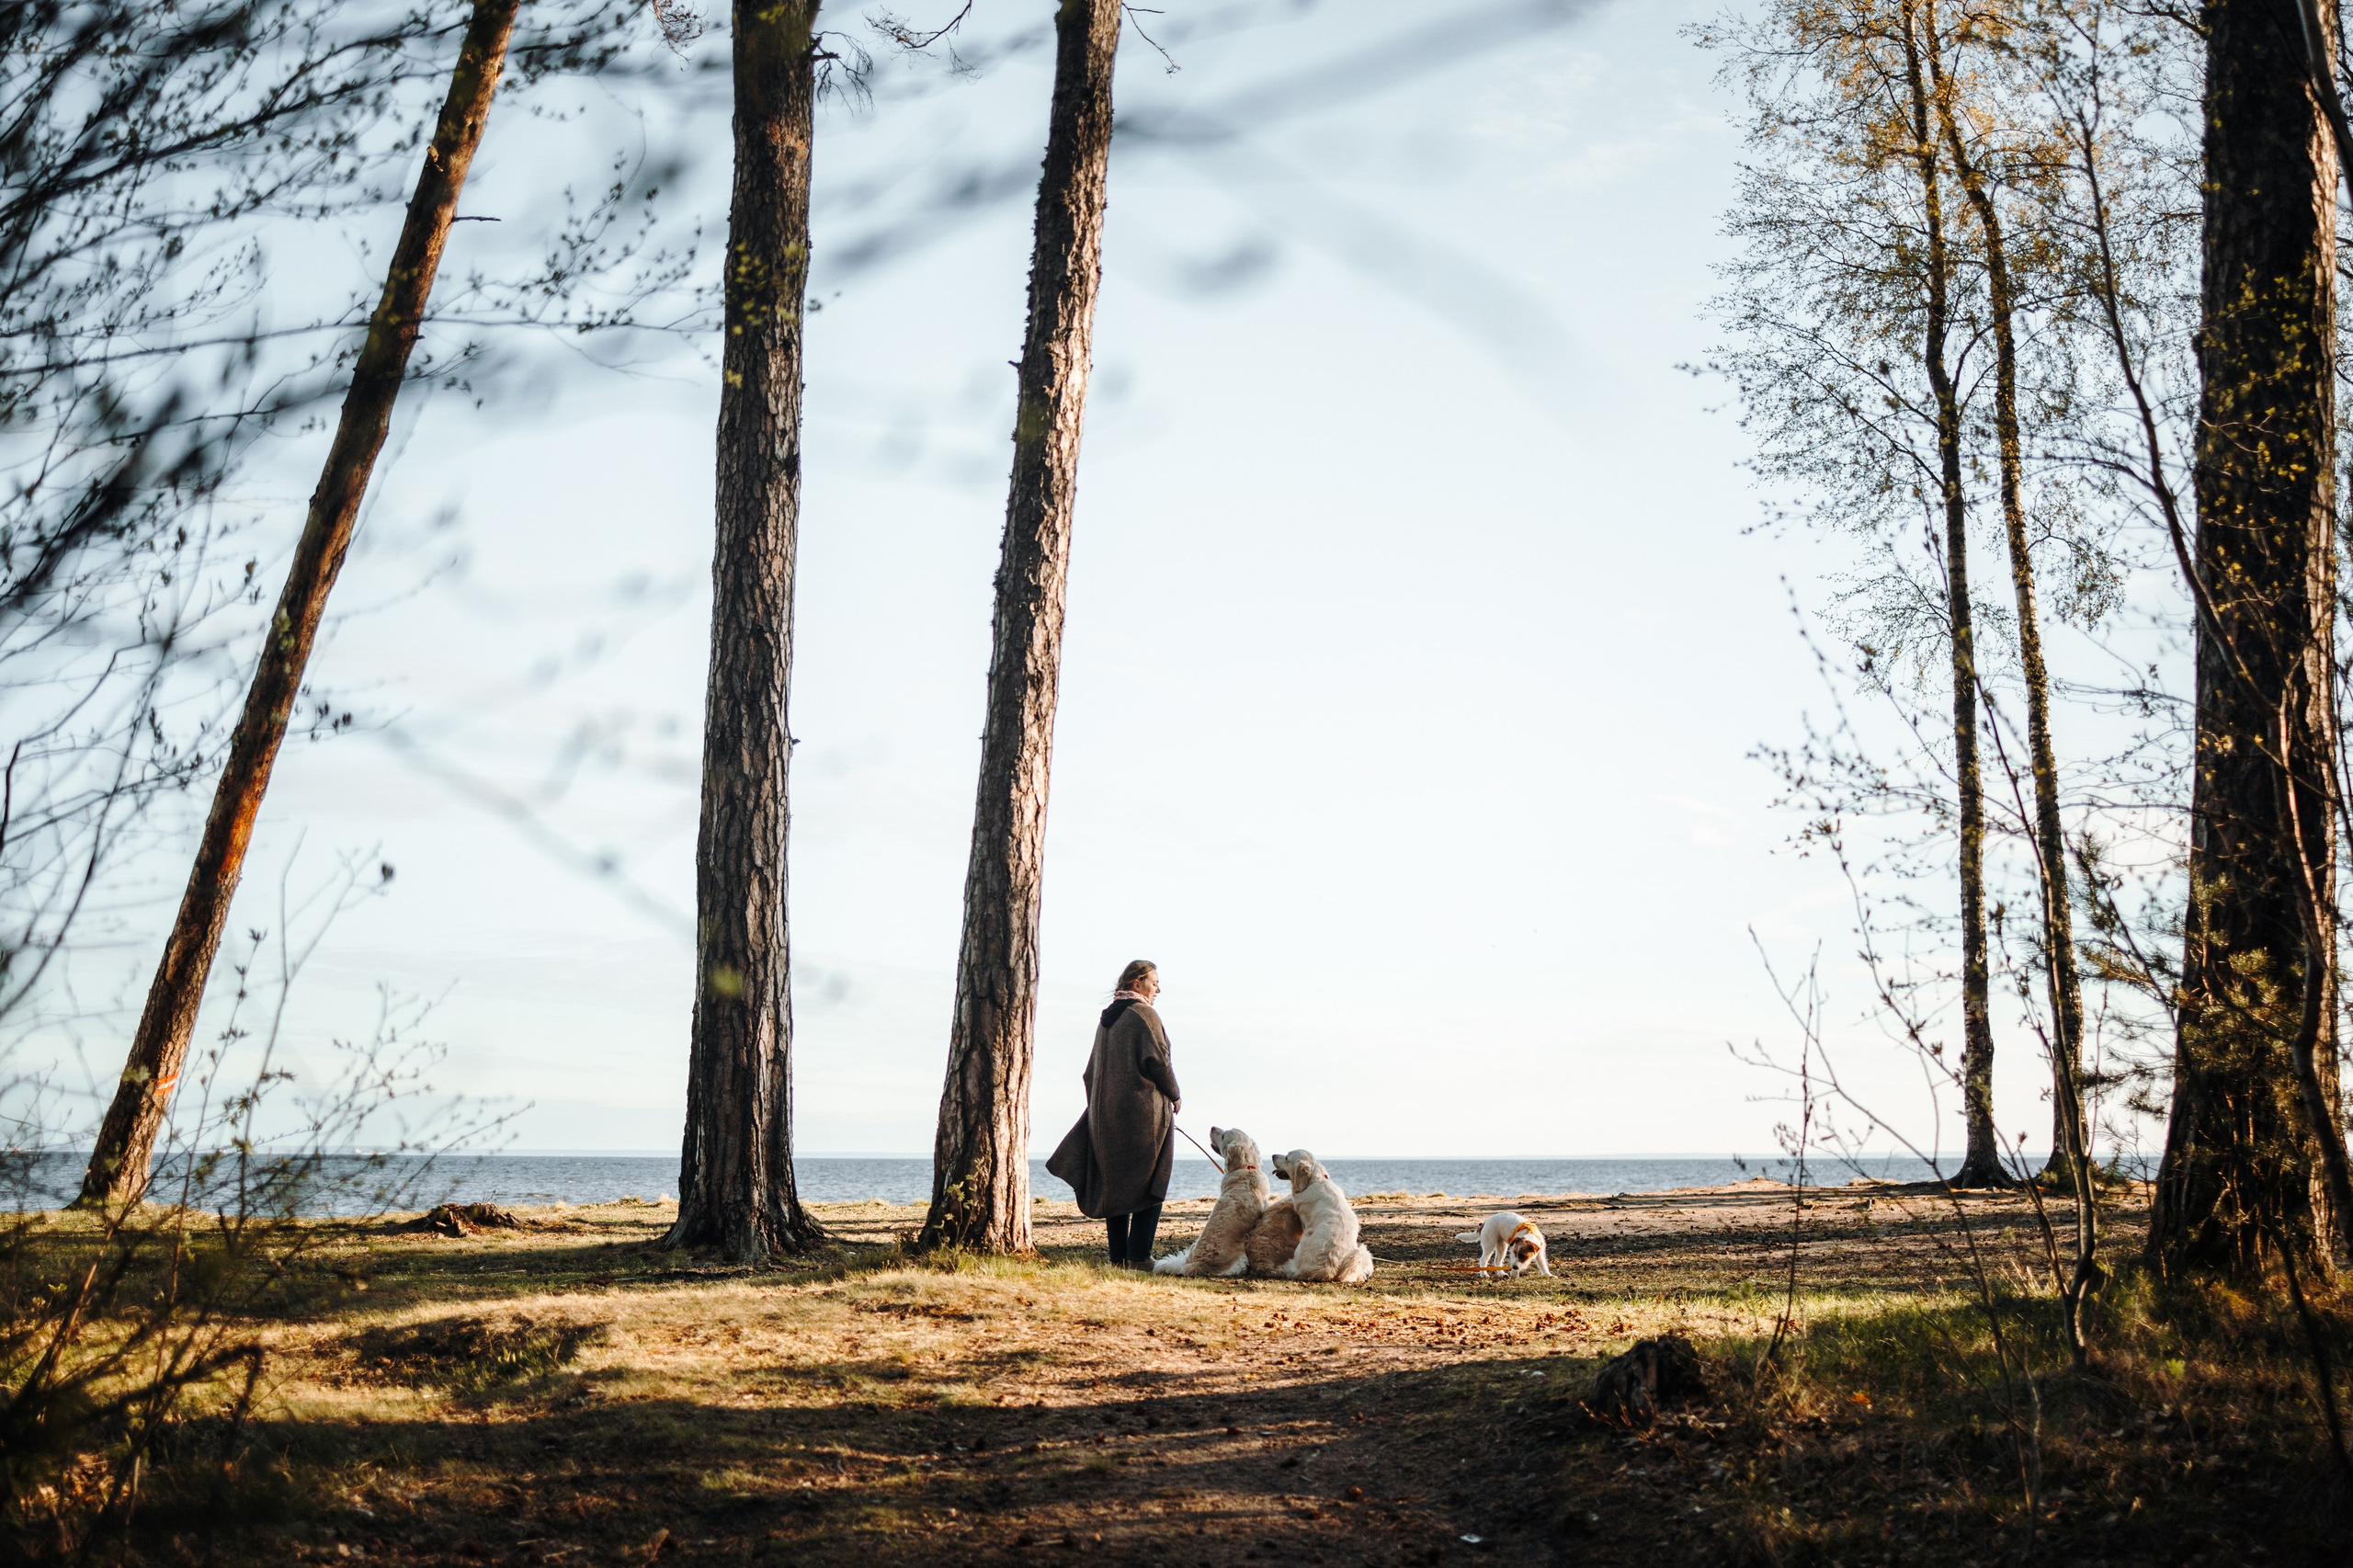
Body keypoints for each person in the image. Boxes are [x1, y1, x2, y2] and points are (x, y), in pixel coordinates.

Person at [1045, 959, 1182, 1267]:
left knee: (1117, 1187)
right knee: (1152, 1183)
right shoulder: (1144, 1014)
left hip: (1106, 1119)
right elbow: (1159, 1062)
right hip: (1143, 1116)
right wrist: (1174, 1094)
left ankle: (1119, 1257)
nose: (1159, 988)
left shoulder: (1107, 1021)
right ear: (1137, 982)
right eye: (1154, 982)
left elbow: (1089, 1074)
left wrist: (1102, 1107)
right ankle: (1139, 1256)